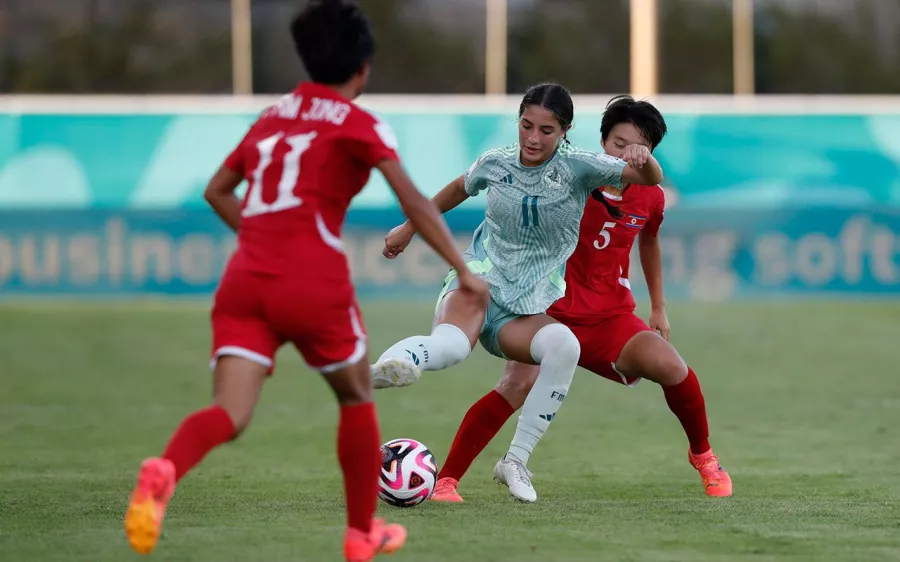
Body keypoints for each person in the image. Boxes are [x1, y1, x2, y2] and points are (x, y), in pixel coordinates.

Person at [121, 2, 487, 561]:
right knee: (356, 395)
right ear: (362, 69)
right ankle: (361, 534)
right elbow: (411, 199)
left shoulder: (271, 117)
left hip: (246, 279)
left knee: (229, 412)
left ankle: (165, 469)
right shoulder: (360, 122)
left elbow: (217, 190)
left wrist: (259, 239)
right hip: (312, 281)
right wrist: (463, 271)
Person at [428, 95, 732, 504]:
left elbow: (650, 240)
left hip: (610, 317)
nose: (626, 154)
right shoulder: (569, 178)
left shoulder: (650, 196)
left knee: (672, 366)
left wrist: (658, 305)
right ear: (601, 143)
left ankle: (704, 457)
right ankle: (446, 481)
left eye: (637, 147)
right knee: (516, 384)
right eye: (618, 144)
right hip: (546, 309)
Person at [369, 84, 665, 499]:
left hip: (524, 307)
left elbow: (651, 179)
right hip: (478, 281)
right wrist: (408, 228)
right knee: (452, 346)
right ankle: (394, 364)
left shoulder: (582, 167)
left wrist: (643, 159)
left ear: (565, 131)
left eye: (546, 130)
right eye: (526, 125)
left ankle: (516, 461)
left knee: (564, 345)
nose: (532, 138)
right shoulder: (496, 162)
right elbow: (457, 188)